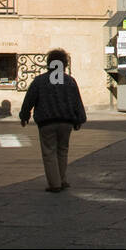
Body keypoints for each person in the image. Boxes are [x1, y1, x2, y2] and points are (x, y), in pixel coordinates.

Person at [18, 48, 87, 193]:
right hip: (66, 121)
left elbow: (29, 100)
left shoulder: (40, 81)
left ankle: (54, 184)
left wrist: (24, 116)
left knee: (49, 152)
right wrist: (79, 119)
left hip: (47, 122)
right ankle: (61, 179)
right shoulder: (69, 81)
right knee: (63, 151)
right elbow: (77, 101)